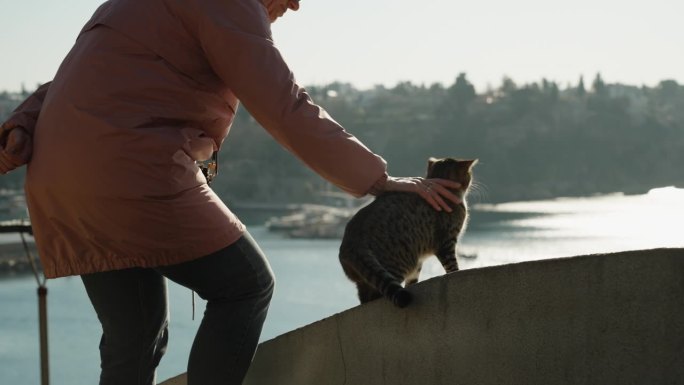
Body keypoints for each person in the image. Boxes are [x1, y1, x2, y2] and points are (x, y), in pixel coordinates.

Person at [0, 0, 461, 384]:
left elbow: (68, 82)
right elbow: (284, 106)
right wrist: (378, 180)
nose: (297, 3)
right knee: (247, 285)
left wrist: (13, 137)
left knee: (134, 334)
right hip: (130, 169)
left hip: (61, 182)